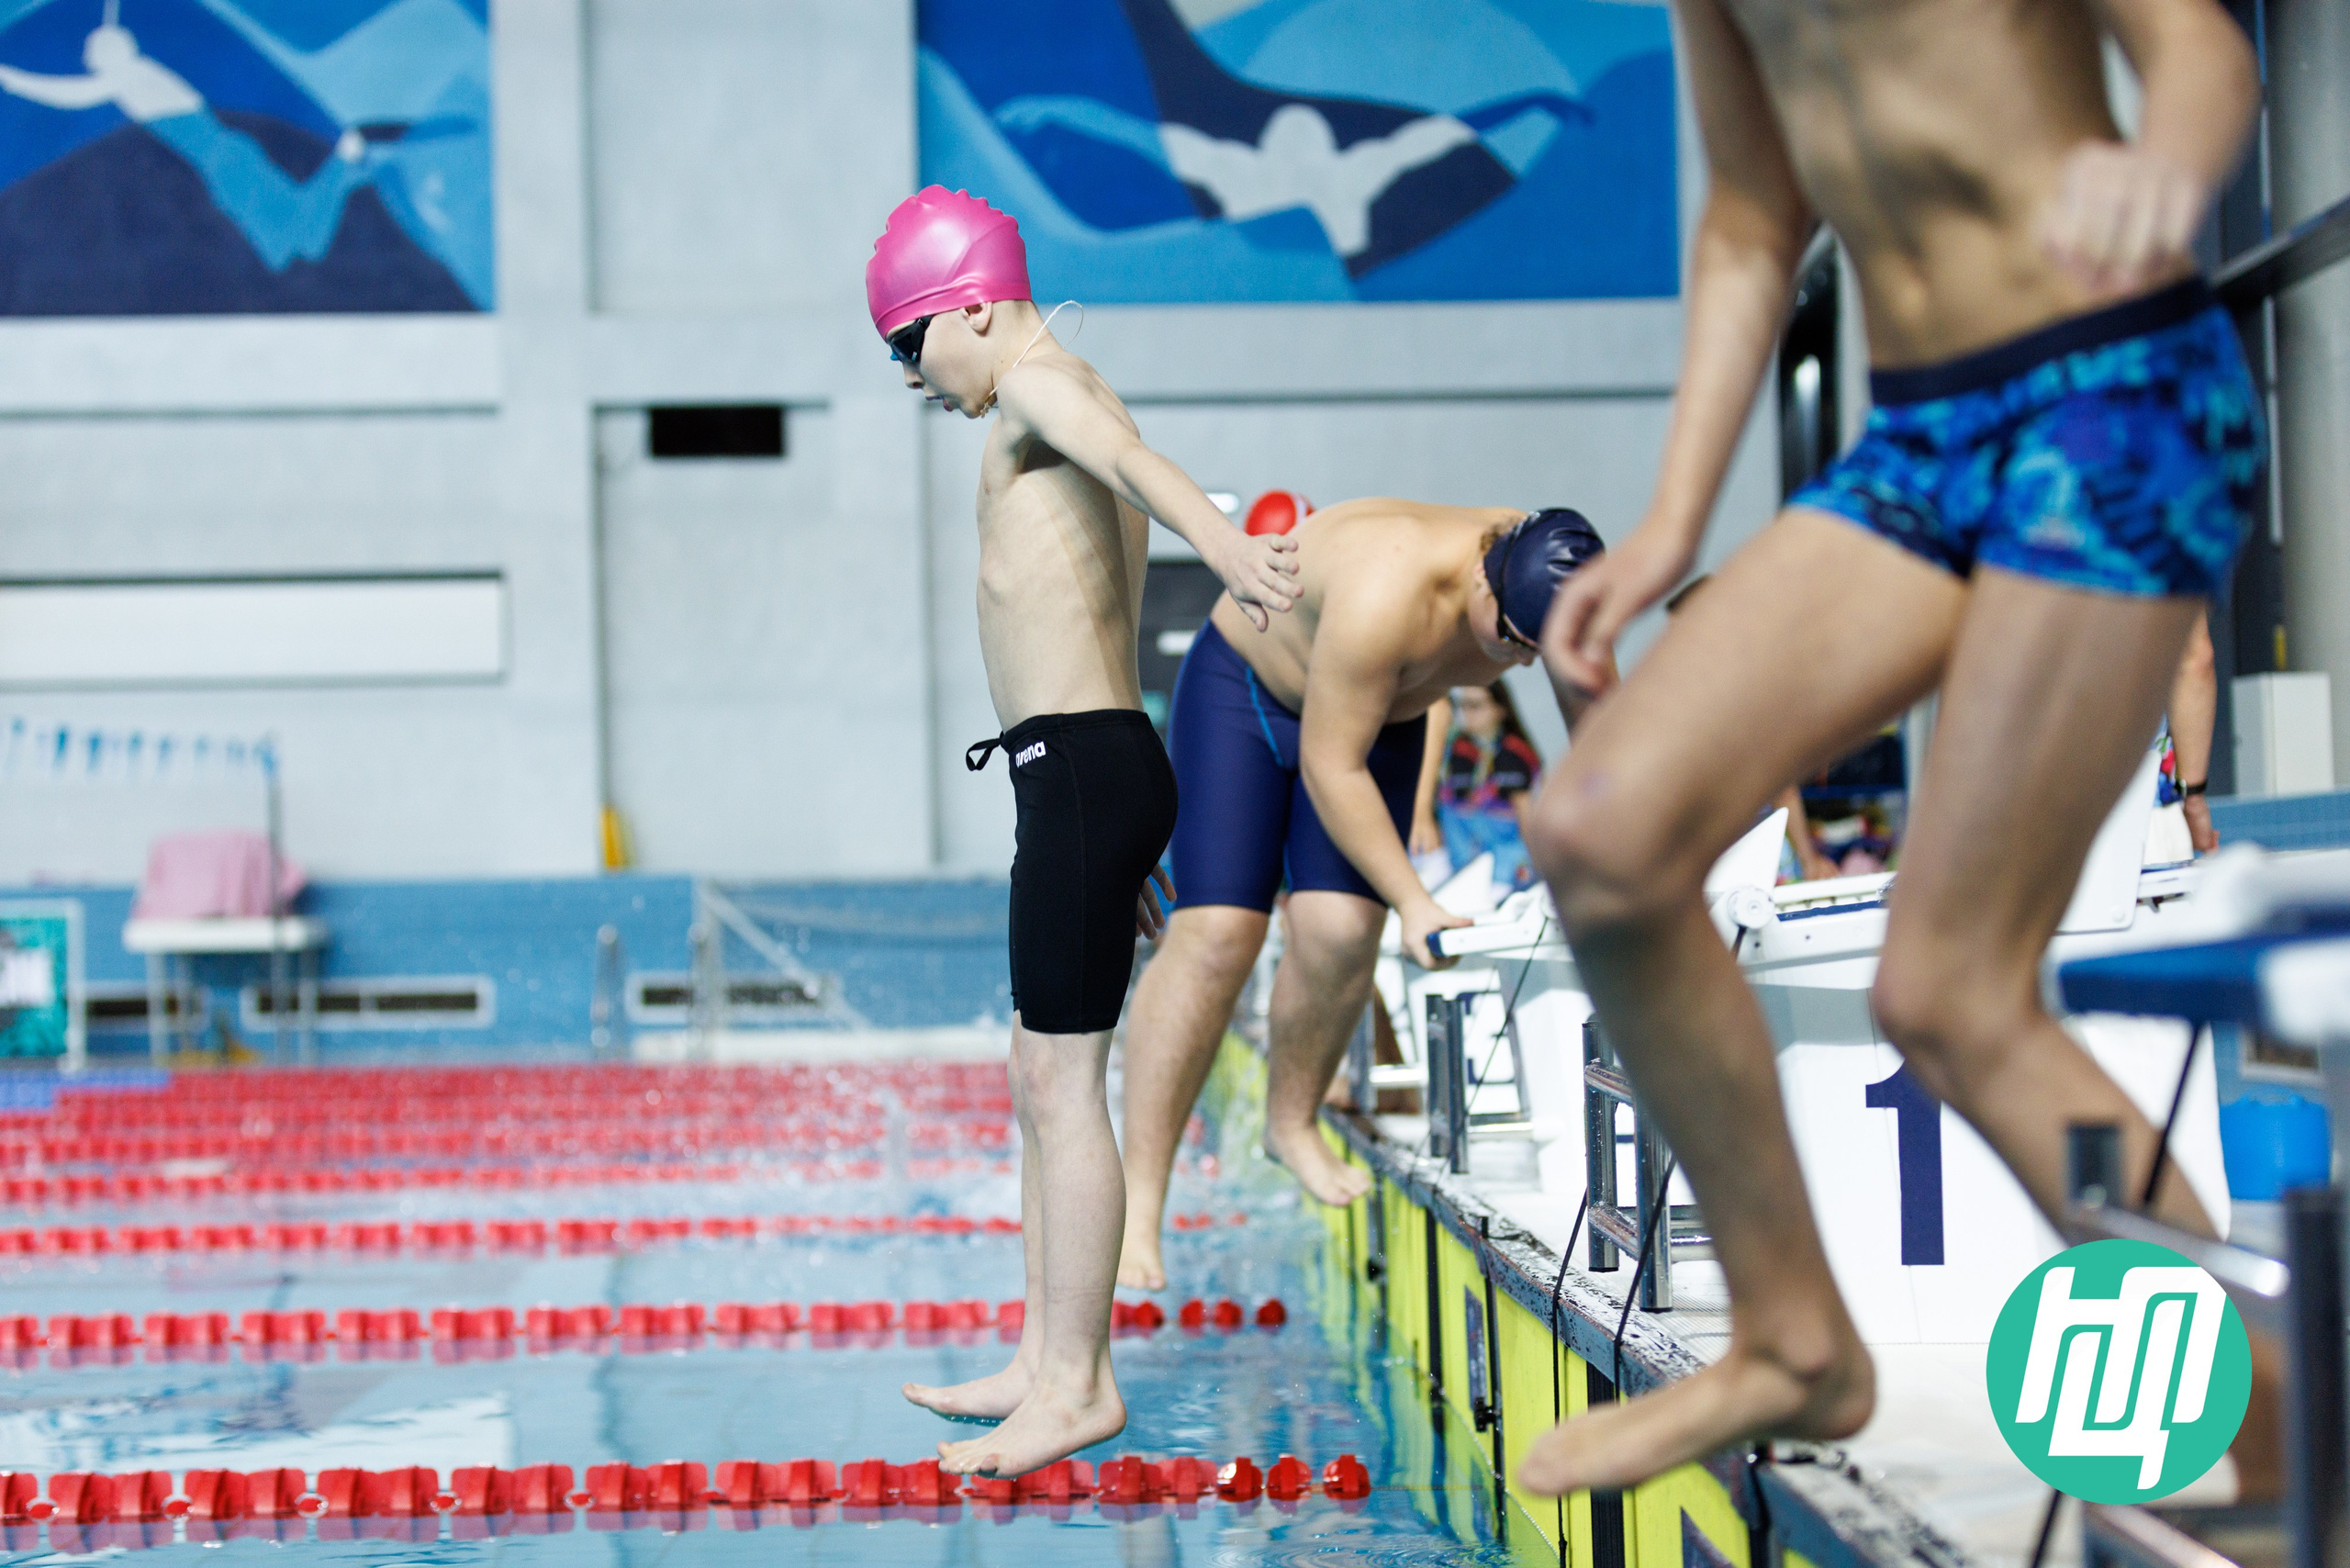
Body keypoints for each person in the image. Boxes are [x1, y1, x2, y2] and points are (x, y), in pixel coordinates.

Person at [1515, 0, 2270, 1497]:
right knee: (1602, 826)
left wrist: (2170, 175)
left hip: (2112, 388)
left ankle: (2286, 1443)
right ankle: (1793, 1333)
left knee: (1951, 993)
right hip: (1924, 441)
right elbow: (1749, 209)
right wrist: (1673, 515)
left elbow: (2201, 50)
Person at [866, 186, 1299, 1475]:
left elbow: (1135, 469)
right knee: (1036, 1074)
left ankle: (1078, 1383)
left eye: (910, 346)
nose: (910, 377)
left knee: (1062, 1084)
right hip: (1089, 774)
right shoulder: (1068, 383)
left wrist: (1224, 543)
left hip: (1085, 774)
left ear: (978, 309)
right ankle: (1043, 1357)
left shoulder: (1042, 388)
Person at [1117, 500, 1604, 1290]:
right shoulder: (1388, 590)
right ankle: (1140, 1204)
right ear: (1486, 582)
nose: (1521, 664)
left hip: (1378, 718)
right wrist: (1414, 899)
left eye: (1535, 651)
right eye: (1513, 642)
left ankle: (1292, 1121)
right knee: (1216, 936)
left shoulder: (1557, 593)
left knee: (1342, 930)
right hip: (1246, 691)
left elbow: (1605, 738)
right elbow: (1330, 767)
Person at [0, 2, 378, 271]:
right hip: (224, 160)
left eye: (92, 52)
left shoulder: (128, 76)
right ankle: (342, 173)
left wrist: (12, 79)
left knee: (294, 245)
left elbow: (71, 95)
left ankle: (343, 164)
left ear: (111, 54)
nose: (87, 58)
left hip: (226, 161)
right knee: (290, 246)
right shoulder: (132, 76)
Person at [1412, 681, 1545, 891]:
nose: (1467, 714)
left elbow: (1527, 816)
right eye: (1462, 705)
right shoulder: (1455, 751)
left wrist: (1543, 868)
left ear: (1500, 709)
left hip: (1508, 870)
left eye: (1475, 706)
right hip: (1462, 865)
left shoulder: (1513, 755)